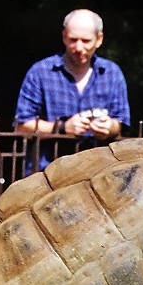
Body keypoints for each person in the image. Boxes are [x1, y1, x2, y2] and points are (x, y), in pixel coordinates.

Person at [14, 9, 130, 170]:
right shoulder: (40, 72)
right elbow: (21, 126)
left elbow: (121, 122)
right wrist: (62, 127)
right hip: (47, 174)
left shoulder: (112, 74)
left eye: (86, 40)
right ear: (63, 36)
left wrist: (109, 127)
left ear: (99, 39)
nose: (79, 47)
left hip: (98, 173)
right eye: (73, 40)